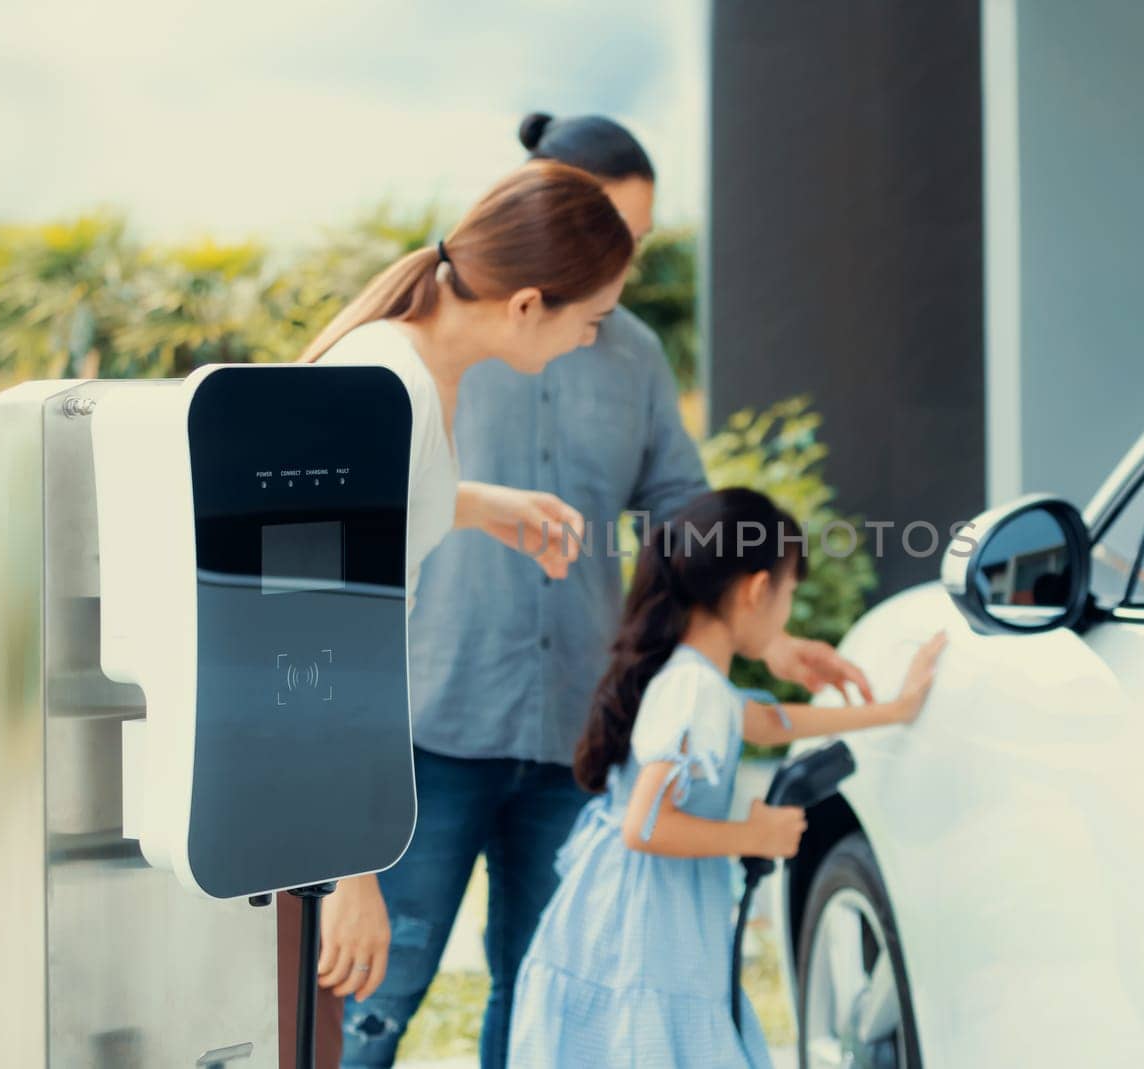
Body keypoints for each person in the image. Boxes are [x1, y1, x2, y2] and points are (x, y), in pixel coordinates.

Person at [337, 114, 872, 1068]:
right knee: (373, 991)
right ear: (546, 242)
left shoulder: (624, 353)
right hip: (430, 716)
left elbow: (679, 507)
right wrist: (344, 866)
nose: (624, 268)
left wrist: (767, 635)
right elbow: (340, 594)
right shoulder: (421, 363)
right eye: (609, 238)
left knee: (550, 986)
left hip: (572, 725)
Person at [274, 160, 636, 1069]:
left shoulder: (418, 369)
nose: (589, 342)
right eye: (589, 320)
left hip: (329, 775)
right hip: (317, 783)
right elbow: (320, 644)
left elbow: (379, 512)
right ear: (525, 306)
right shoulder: (386, 388)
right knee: (340, 1030)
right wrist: (352, 875)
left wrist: (482, 506)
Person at [507, 488, 947, 1068]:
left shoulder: (695, 679)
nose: (787, 610)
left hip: (638, 920)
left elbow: (765, 721)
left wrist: (890, 711)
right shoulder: (695, 690)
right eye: (790, 592)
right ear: (757, 589)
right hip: (646, 936)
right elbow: (646, 824)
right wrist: (753, 836)